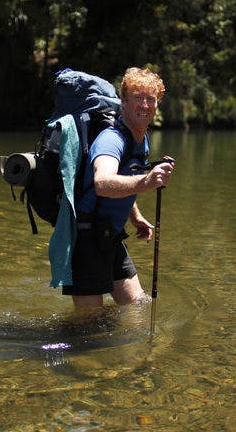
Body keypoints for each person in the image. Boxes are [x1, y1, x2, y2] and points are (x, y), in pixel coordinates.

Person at [64, 67, 175, 308]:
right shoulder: (111, 139)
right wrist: (146, 182)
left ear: (157, 104)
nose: (144, 105)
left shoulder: (140, 136)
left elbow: (125, 177)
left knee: (137, 306)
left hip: (110, 235)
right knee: (87, 327)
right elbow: (103, 183)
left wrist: (135, 217)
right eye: (137, 98)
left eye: (150, 99)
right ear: (123, 101)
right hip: (87, 237)